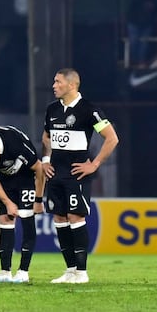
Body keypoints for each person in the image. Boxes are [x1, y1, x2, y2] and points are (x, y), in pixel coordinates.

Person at [42, 68, 119, 284]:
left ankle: (82, 272)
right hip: (55, 174)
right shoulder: (52, 109)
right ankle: (69, 270)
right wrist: (46, 161)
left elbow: (112, 138)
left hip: (76, 174)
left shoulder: (89, 110)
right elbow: (46, 137)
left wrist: (94, 164)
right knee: (59, 218)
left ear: (72, 85)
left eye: (57, 82)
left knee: (76, 217)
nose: (53, 85)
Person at [0, 125, 46, 283]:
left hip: (26, 177)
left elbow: (39, 168)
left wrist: (39, 200)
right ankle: (5, 271)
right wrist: (8, 202)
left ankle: (23, 271)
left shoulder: (15, 144)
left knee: (26, 217)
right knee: (5, 220)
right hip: (5, 181)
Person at [125, 0, 157, 69]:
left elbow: (156, 12)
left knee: (144, 45)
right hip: (134, 23)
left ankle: (140, 62)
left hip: (146, 26)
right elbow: (134, 9)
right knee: (133, 42)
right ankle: (133, 61)